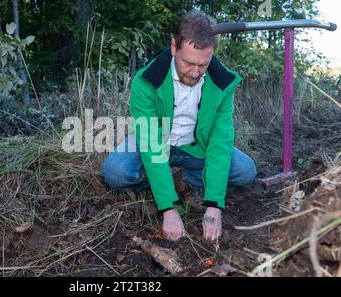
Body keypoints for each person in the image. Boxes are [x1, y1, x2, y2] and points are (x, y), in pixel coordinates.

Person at [102, 10, 257, 242]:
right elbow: (152, 144)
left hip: (196, 147)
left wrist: (215, 204)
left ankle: (182, 179)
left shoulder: (223, 83)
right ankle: (162, 186)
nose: (195, 72)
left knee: (245, 171)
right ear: (174, 47)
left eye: (203, 65)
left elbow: (220, 142)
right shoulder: (147, 81)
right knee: (115, 172)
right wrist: (168, 208)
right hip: (153, 140)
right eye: (188, 63)